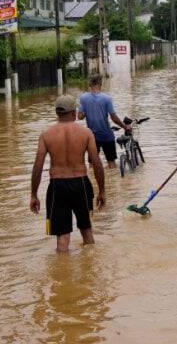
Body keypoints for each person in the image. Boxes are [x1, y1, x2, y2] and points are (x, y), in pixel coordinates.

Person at [30, 95, 106, 253]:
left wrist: (33, 194)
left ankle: (62, 275)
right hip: (81, 185)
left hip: (57, 186)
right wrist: (102, 191)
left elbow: (37, 166)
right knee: (87, 231)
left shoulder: (46, 135)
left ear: (57, 113)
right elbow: (97, 163)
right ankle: (91, 271)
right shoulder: (86, 133)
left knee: (62, 238)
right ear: (74, 112)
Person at [77, 73, 126, 165]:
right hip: (107, 135)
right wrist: (124, 126)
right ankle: (113, 179)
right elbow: (113, 117)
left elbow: (79, 117)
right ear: (101, 83)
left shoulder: (83, 98)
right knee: (111, 163)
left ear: (89, 84)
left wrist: (87, 110)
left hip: (92, 136)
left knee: (92, 164)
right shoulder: (107, 98)